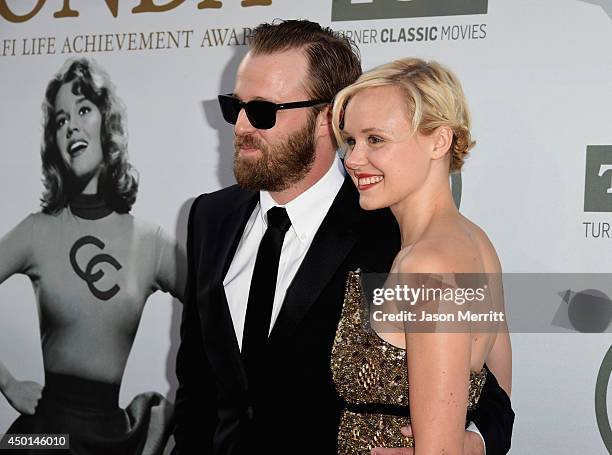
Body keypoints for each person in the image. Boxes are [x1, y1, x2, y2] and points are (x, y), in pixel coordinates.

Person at [174, 20, 514, 455]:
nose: (239, 126)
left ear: (325, 118)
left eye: (261, 111)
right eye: (232, 107)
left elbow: (489, 393)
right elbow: (197, 388)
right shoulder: (209, 217)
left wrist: (469, 445)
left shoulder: (400, 235)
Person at [0, 58, 185, 455]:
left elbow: (221, 311)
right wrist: (8, 384)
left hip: (115, 438)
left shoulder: (149, 242)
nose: (72, 127)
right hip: (47, 437)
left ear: (107, 123)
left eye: (84, 110)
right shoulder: (36, 231)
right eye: (61, 119)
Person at [329, 58, 513, 454]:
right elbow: (496, 388)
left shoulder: (424, 265)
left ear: (439, 141)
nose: (352, 159)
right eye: (350, 140)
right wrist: (476, 445)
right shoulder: (477, 242)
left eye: (375, 139)